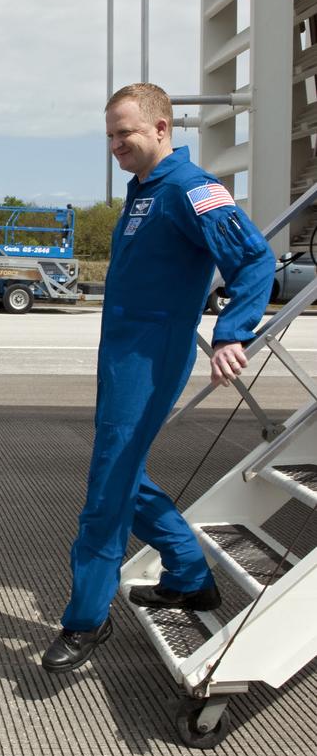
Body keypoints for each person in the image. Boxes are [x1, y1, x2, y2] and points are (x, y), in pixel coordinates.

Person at [42, 82, 276, 673]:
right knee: (120, 472)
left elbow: (253, 259)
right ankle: (190, 575)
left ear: (162, 129)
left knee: (106, 492)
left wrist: (232, 332)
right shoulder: (144, 189)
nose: (116, 144)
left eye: (126, 132)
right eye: (111, 135)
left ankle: (87, 618)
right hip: (121, 354)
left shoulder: (191, 189)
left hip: (150, 357)